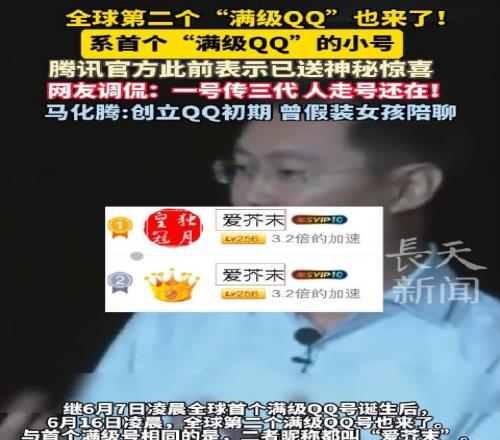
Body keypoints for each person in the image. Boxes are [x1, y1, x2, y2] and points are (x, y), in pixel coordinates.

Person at [4, 118, 500, 439]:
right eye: (242, 169)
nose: (252, 197)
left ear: (410, 188)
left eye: (289, 173)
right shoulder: (180, 306)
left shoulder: (487, 348)